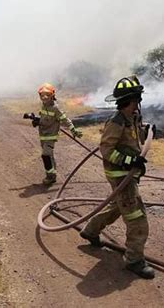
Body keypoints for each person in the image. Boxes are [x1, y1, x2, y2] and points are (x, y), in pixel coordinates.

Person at [79, 75, 156, 279]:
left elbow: (135, 139)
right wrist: (129, 162)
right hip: (121, 175)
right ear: (132, 100)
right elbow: (106, 149)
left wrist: (146, 131)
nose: (139, 102)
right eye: (137, 99)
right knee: (136, 218)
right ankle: (134, 260)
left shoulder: (132, 117)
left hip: (127, 175)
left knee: (118, 207)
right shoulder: (116, 122)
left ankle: (91, 230)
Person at [32, 83, 82, 185]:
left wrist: (73, 130)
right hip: (43, 135)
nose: (44, 97)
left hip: (50, 136)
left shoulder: (55, 108)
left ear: (52, 96)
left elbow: (65, 120)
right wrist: (37, 120)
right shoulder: (43, 106)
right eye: (42, 95)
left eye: (47, 94)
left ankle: (50, 177)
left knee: (45, 155)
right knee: (49, 156)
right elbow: (44, 119)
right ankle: (52, 175)